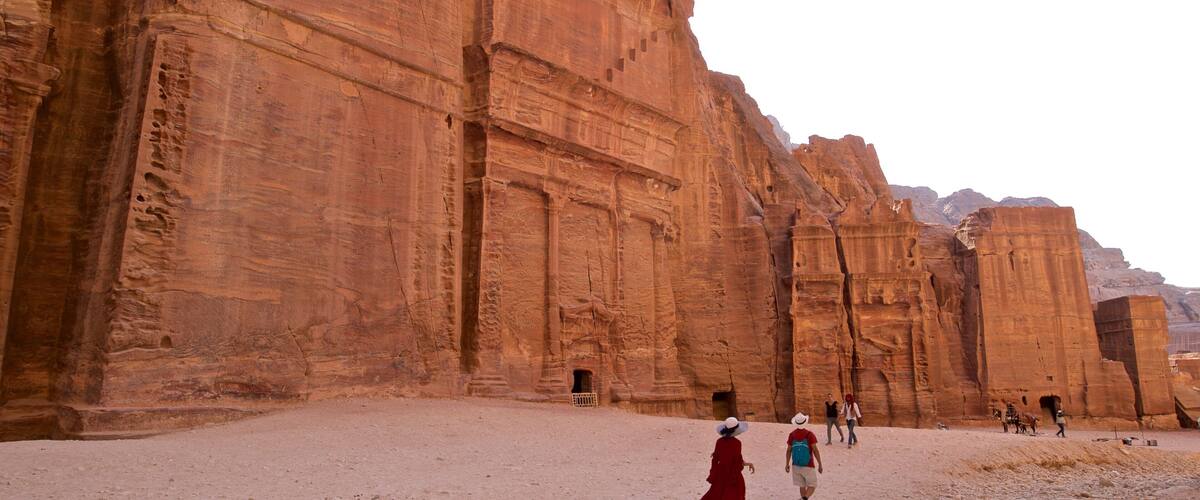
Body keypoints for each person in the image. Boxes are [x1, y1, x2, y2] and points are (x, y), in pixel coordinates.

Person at [702, 417, 755, 500]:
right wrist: (747, 464)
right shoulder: (737, 443)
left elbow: (716, 459)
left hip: (720, 474)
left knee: (715, 495)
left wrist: (713, 474)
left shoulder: (719, 441)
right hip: (732, 476)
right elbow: (737, 462)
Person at [785, 412, 823, 500]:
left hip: (796, 464)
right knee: (812, 485)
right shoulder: (809, 435)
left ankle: (803, 498)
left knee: (802, 486)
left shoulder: (792, 435)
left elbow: (788, 450)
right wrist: (820, 464)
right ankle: (804, 498)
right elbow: (815, 450)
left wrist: (787, 464)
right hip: (808, 465)